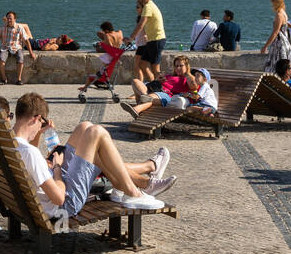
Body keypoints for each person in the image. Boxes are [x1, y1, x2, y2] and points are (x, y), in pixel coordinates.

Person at [13, 92, 172, 217]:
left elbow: (31, 160)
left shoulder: (12, 142)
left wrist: (40, 133)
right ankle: (133, 192)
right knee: (96, 133)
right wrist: (57, 167)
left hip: (50, 187)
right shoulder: (30, 152)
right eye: (41, 122)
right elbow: (59, 199)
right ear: (37, 118)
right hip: (66, 204)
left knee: (84, 127)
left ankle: (129, 183)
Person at [124, 55, 193, 116]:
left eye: (181, 66)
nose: (178, 68)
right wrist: (158, 80)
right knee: (135, 81)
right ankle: (144, 97)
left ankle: (136, 109)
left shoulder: (188, 78)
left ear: (186, 66)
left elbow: (195, 87)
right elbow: (156, 82)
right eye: (176, 66)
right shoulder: (170, 75)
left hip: (164, 93)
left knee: (150, 98)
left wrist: (188, 75)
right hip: (153, 88)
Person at [129, 0, 166, 82]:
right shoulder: (149, 5)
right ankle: (153, 84)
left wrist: (131, 38)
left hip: (157, 39)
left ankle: (163, 88)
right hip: (151, 40)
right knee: (143, 64)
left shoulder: (148, 6)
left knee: (155, 68)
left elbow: (141, 24)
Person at [0, 11, 35, 85]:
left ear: (15, 19)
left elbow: (26, 41)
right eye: (8, 18)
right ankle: (4, 79)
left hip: (17, 47)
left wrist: (31, 53)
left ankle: (19, 79)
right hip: (5, 47)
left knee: (21, 59)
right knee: (1, 59)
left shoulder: (20, 28)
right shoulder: (2, 28)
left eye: (11, 18)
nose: (9, 20)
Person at [260, 0, 291, 78]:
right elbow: (286, 24)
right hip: (286, 43)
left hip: (279, 44)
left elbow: (275, 32)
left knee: (276, 67)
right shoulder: (284, 13)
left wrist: (265, 46)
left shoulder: (279, 15)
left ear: (275, 2)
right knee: (285, 67)